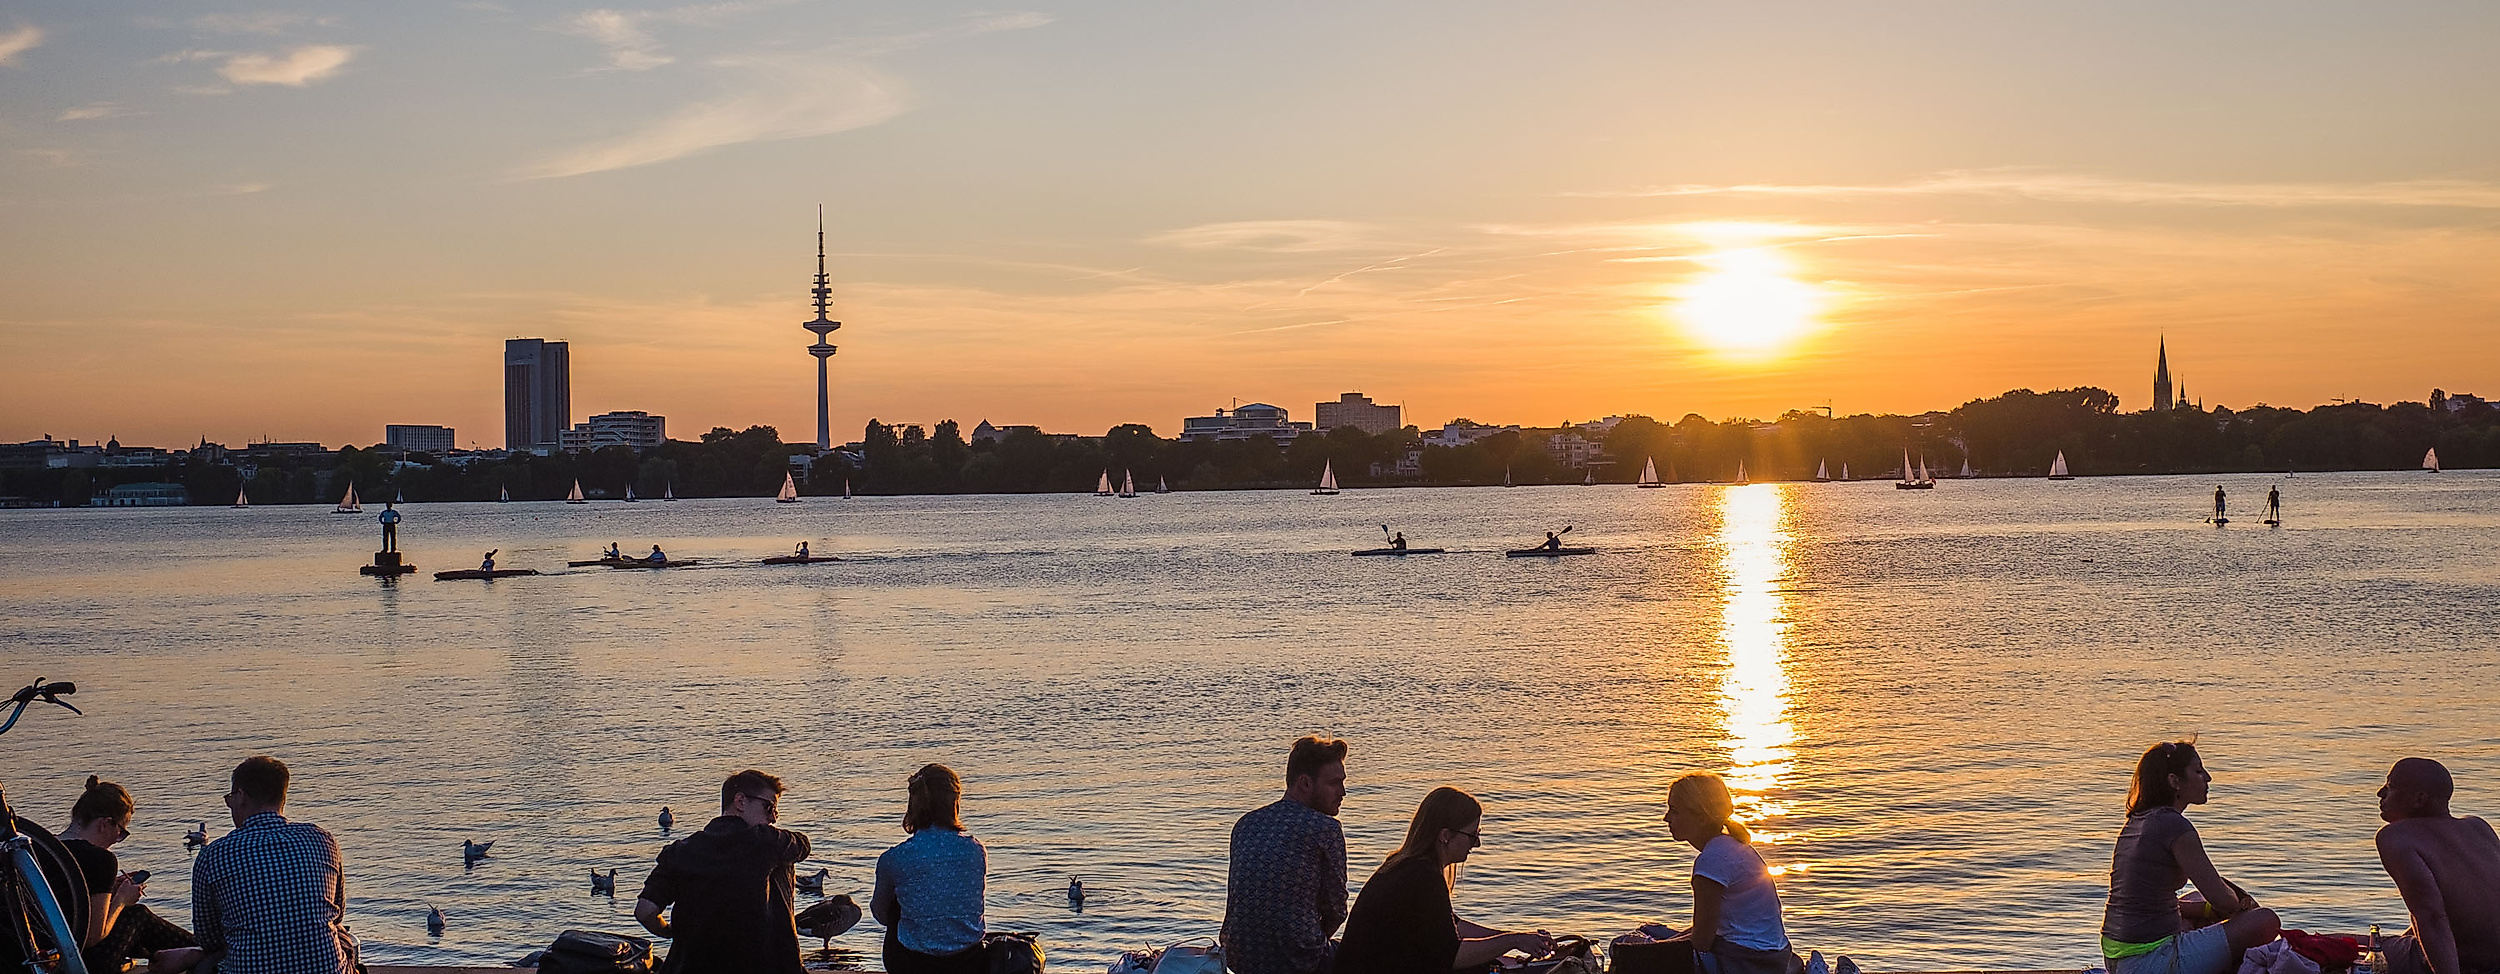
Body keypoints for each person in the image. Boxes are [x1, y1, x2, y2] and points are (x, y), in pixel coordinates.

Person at [2100, 741, 2279, 974]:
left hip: (2118, 959)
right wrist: (2242, 906)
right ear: (2174, 781)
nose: (2208, 777)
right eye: (2198, 771)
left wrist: (2206, 910)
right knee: (2265, 920)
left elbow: (2145, 902)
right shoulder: (2175, 826)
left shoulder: (2138, 821)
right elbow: (2223, 901)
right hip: (2149, 962)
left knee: (2196, 898)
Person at [1333, 787, 1550, 974]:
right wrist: (1513, 941)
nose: (1477, 844)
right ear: (1445, 835)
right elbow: (1451, 955)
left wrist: (1521, 939)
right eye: (1472, 836)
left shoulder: (1407, 866)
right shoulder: (1423, 877)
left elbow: (1454, 927)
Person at [192, 755, 358, 974]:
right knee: (343, 936)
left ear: (240, 796)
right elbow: (337, 913)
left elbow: (209, 938)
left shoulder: (213, 855)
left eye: (230, 798)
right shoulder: (323, 840)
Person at [636, 769, 812, 974]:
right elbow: (803, 845)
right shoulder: (765, 841)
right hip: (756, 964)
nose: (773, 818)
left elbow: (645, 911)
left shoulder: (679, 852)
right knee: (782, 862)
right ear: (740, 801)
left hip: (690, 966)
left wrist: (670, 932)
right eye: (769, 807)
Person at [1224, 736, 1350, 974]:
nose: (1343, 792)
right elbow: (1336, 910)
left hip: (1240, 958)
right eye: (1334, 783)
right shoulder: (1325, 829)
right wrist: (1308, 942)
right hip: (1297, 960)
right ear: (1305, 783)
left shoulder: (1246, 824)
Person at [1651, 772, 1798, 974]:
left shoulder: (1711, 862)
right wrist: (1662, 942)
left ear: (1701, 817)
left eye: (1674, 810)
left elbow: (1702, 941)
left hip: (1746, 961)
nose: (1666, 817)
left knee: (1628, 946)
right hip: (1775, 955)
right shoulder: (1733, 846)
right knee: (1651, 932)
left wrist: (1652, 949)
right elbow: (1711, 930)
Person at [62, 776, 202, 974]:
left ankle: (188, 954)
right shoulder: (100, 859)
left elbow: (65, 900)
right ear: (104, 824)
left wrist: (109, 890)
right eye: (120, 832)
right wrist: (121, 900)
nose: (117, 840)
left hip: (44, 955)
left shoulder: (42, 849)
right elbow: (93, 936)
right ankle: (207, 953)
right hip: (80, 962)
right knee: (137, 915)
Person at [2375, 758, 2500, 974]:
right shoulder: (2478, 827)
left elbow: (2431, 916)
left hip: (2462, 962)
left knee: (2351, 950)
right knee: (2390, 941)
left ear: (2419, 799)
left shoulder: (2396, 837)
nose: (2380, 793)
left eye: (2390, 786)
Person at [871, 765, 988, 974]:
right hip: (969, 961)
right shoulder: (975, 850)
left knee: (896, 903)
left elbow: (880, 914)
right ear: (955, 803)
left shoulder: (894, 858)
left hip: (913, 963)